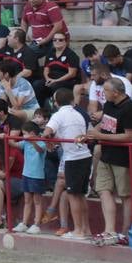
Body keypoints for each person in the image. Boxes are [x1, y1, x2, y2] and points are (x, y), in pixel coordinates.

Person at [87, 77, 132, 246]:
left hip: (123, 158)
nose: (103, 93)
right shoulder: (108, 104)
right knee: (103, 190)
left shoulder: (130, 108)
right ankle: (110, 231)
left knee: (125, 195)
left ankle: (125, 232)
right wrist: (91, 133)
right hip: (107, 155)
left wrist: (100, 136)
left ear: (116, 92)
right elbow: (104, 124)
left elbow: (131, 135)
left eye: (106, 90)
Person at [43, 87, 93, 241]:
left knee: (73, 195)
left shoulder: (58, 115)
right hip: (85, 156)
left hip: (73, 158)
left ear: (56, 103)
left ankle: (78, 231)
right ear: (72, 100)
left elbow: (46, 132)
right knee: (81, 195)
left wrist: (49, 143)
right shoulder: (79, 113)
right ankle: (85, 229)